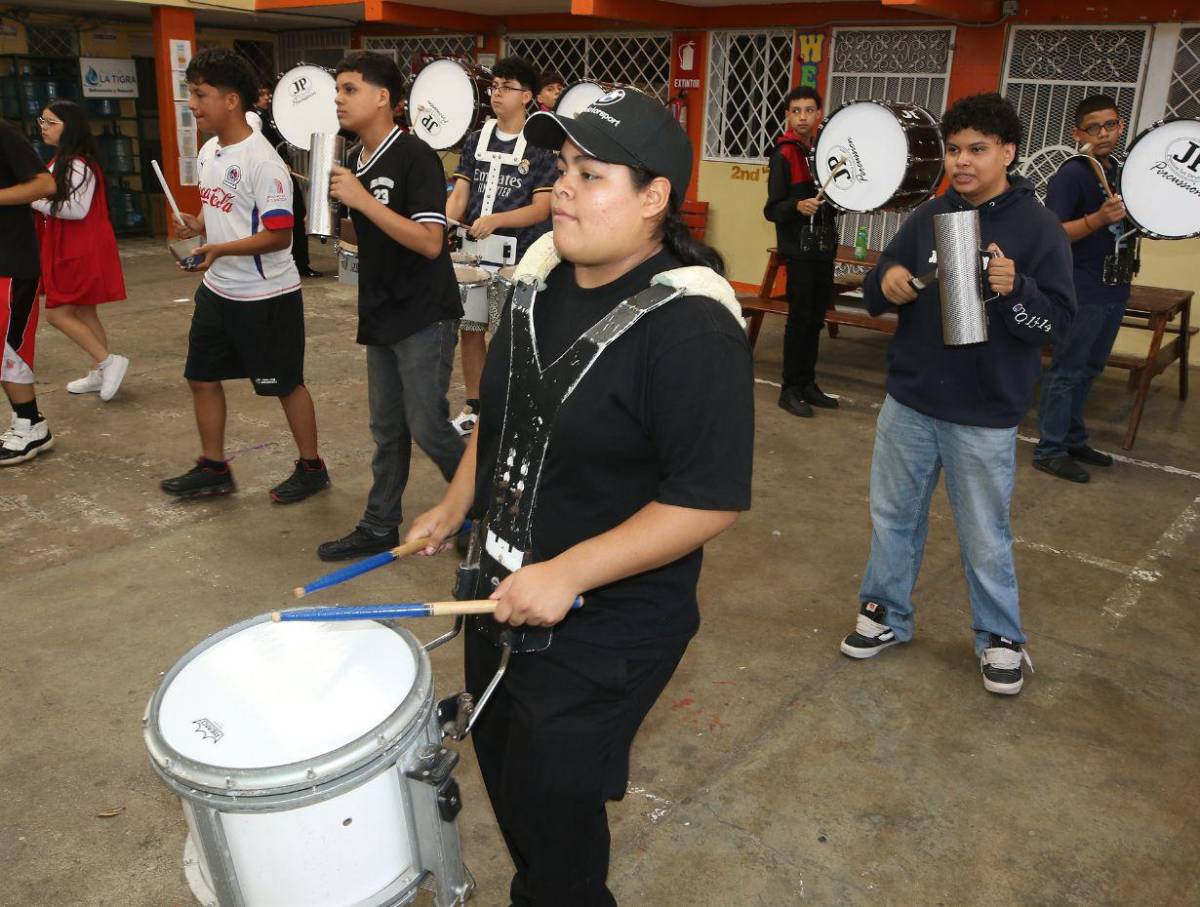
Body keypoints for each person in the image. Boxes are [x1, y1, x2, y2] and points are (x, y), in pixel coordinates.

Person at [406, 88, 753, 905]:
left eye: (591, 174)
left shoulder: (690, 328)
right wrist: (459, 503)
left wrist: (568, 571)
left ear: (653, 199)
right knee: (511, 781)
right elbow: (504, 409)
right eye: (563, 168)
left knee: (557, 830)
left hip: (607, 625)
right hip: (497, 592)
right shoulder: (541, 283)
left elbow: (708, 499)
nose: (563, 187)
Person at [838, 93, 1075, 696]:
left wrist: (1015, 288)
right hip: (911, 403)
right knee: (893, 518)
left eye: (978, 149)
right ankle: (885, 614)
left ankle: (1000, 638)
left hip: (983, 412)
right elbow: (877, 285)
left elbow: (1056, 326)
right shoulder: (928, 215)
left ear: (1008, 153)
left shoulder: (1037, 227)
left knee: (984, 532)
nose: (962, 161)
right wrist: (885, 281)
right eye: (953, 149)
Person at [162, 48, 330, 503]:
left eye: (200, 94)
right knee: (200, 376)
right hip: (218, 292)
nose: (192, 105)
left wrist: (217, 249)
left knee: (286, 385)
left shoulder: (263, 161)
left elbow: (279, 235)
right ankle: (213, 467)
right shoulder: (210, 151)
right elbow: (222, 205)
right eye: (190, 94)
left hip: (266, 296)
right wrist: (198, 225)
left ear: (232, 100)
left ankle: (312, 467)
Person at [315, 52, 465, 561]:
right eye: (337, 90)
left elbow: (429, 241)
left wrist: (361, 200)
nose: (339, 98)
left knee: (427, 425)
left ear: (383, 98)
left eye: (350, 89)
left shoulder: (415, 156)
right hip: (380, 308)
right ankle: (380, 522)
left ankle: (483, 508)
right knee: (386, 429)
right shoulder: (355, 159)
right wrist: (337, 215)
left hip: (423, 311)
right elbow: (368, 230)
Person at [445, 57, 556, 436]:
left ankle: (507, 408)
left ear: (526, 95)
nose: (497, 94)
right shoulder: (477, 138)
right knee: (471, 328)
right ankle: (474, 405)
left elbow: (543, 207)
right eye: (494, 86)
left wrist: (497, 220)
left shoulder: (540, 145)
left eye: (507, 87)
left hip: (520, 255)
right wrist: (446, 218)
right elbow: (461, 191)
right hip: (473, 251)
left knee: (508, 334)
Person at [1033, 95, 1133, 482]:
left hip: (1114, 286)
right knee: (1067, 370)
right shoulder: (1072, 175)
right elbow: (1052, 233)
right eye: (1094, 127)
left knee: (1091, 368)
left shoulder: (1121, 171)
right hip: (1082, 288)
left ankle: (1073, 437)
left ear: (1120, 126)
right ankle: (1050, 448)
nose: (1103, 133)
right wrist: (1096, 219)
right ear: (1078, 133)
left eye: (1110, 125)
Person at [33, 100, 128, 400]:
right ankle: (100, 371)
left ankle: (108, 362)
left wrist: (31, 200)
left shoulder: (76, 163)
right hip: (71, 244)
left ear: (69, 126)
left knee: (58, 313)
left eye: (51, 123)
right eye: (42, 121)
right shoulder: (64, 159)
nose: (43, 128)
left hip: (78, 246)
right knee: (86, 311)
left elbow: (75, 209)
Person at [763, 85, 841, 418]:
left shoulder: (824, 154)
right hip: (799, 250)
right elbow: (772, 209)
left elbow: (834, 201)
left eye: (809, 110)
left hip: (823, 248)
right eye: (796, 111)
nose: (803, 117)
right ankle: (789, 389)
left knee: (815, 319)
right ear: (787, 115)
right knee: (799, 320)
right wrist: (797, 205)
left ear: (819, 114)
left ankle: (808, 383)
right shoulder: (783, 154)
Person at [0, 119, 56, 465]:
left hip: (9, 262)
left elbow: (45, 183)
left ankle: (31, 423)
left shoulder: (3, 133)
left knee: (9, 347)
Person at [247, 82, 322, 279]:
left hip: (283, 169)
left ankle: (301, 263)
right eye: (262, 93)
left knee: (297, 214)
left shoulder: (273, 116)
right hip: (274, 172)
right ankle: (296, 264)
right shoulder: (253, 117)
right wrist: (276, 162)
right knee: (288, 215)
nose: (266, 97)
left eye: (268, 94)